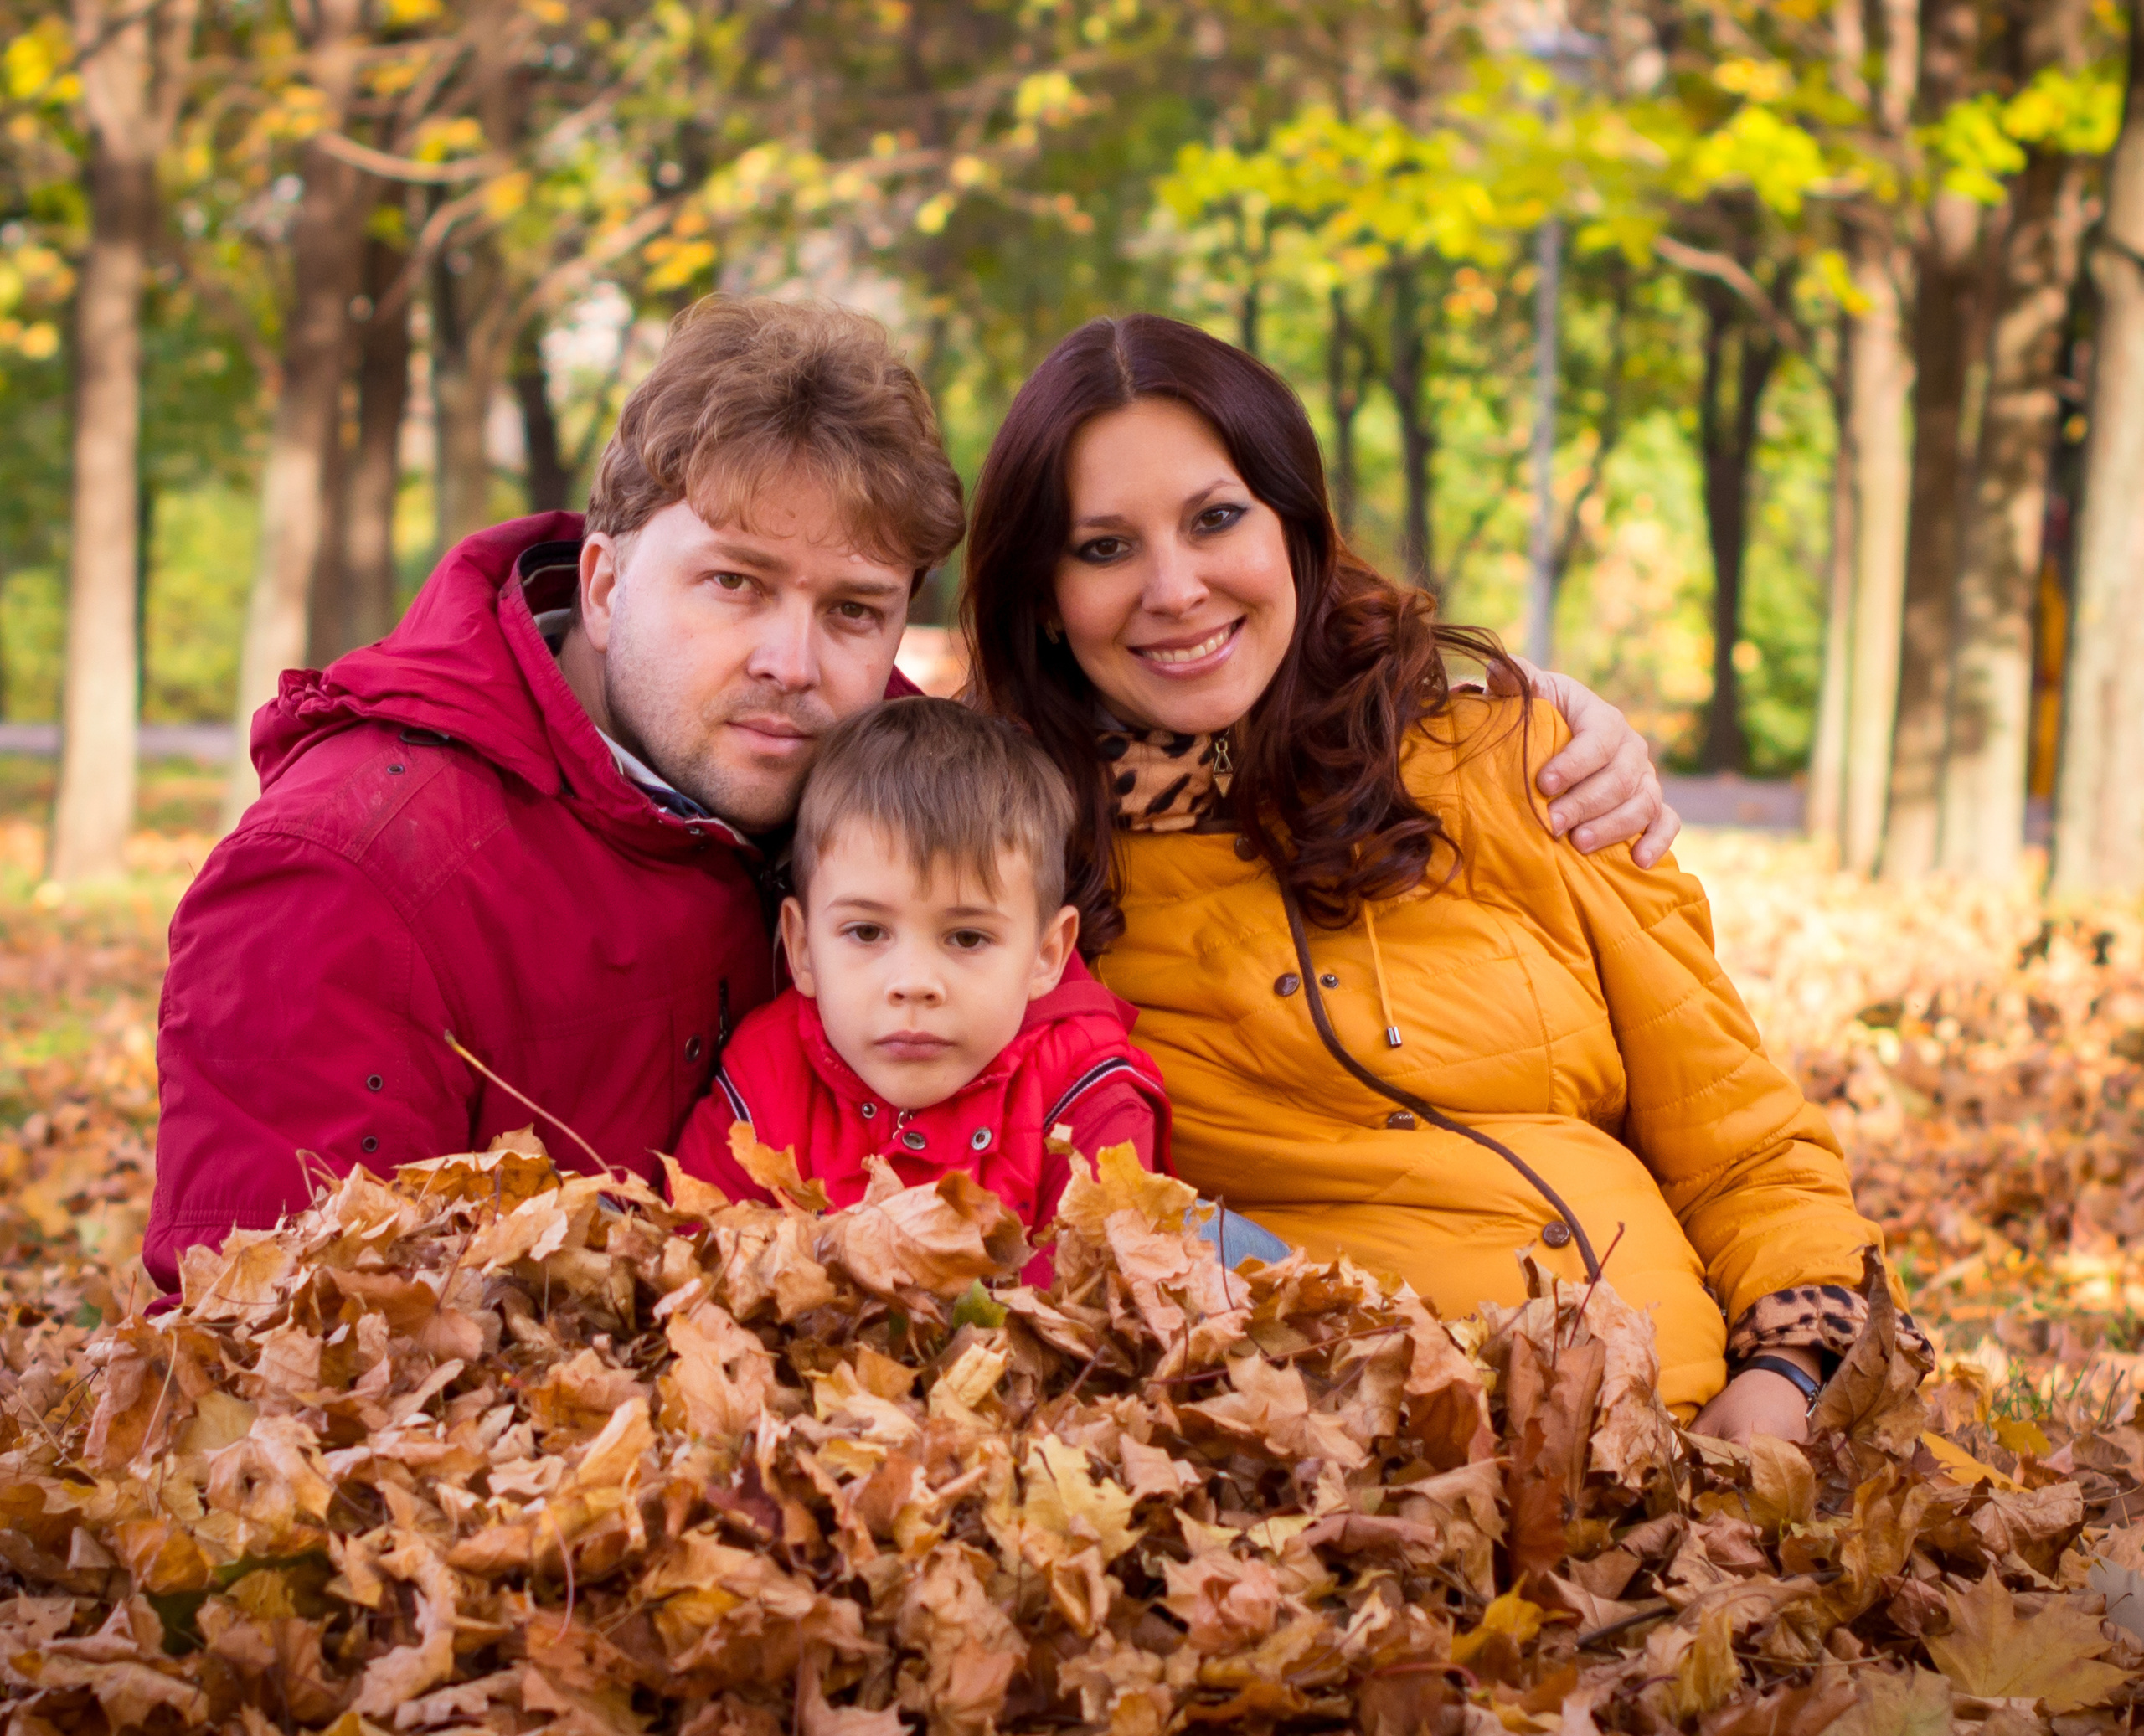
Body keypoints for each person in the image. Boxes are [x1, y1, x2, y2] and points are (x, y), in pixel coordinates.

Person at [145, 295, 1672, 1294]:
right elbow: (271, 1368)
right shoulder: (347, 873)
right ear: (603, 578)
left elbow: (1158, 701)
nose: (793, 665)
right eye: (732, 584)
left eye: (856, 609)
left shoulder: (880, 786)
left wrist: (1495, 704)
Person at [961, 313, 1925, 1440]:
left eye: (1217, 519)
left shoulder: (1511, 765)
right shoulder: (1013, 881)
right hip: (1396, 1498)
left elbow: (1745, 1140)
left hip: (1731, 1427)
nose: (1174, 587)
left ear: (1296, 531)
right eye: (1104, 547)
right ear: (1043, 595)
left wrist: (1792, 1372)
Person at [673, 697, 1170, 1270]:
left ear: (1046, 954)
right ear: (803, 947)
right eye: (866, 931)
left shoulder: (1084, 1091)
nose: (913, 983)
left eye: (966, 938)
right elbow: (695, 1259)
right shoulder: (766, 1074)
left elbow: (1100, 1303)